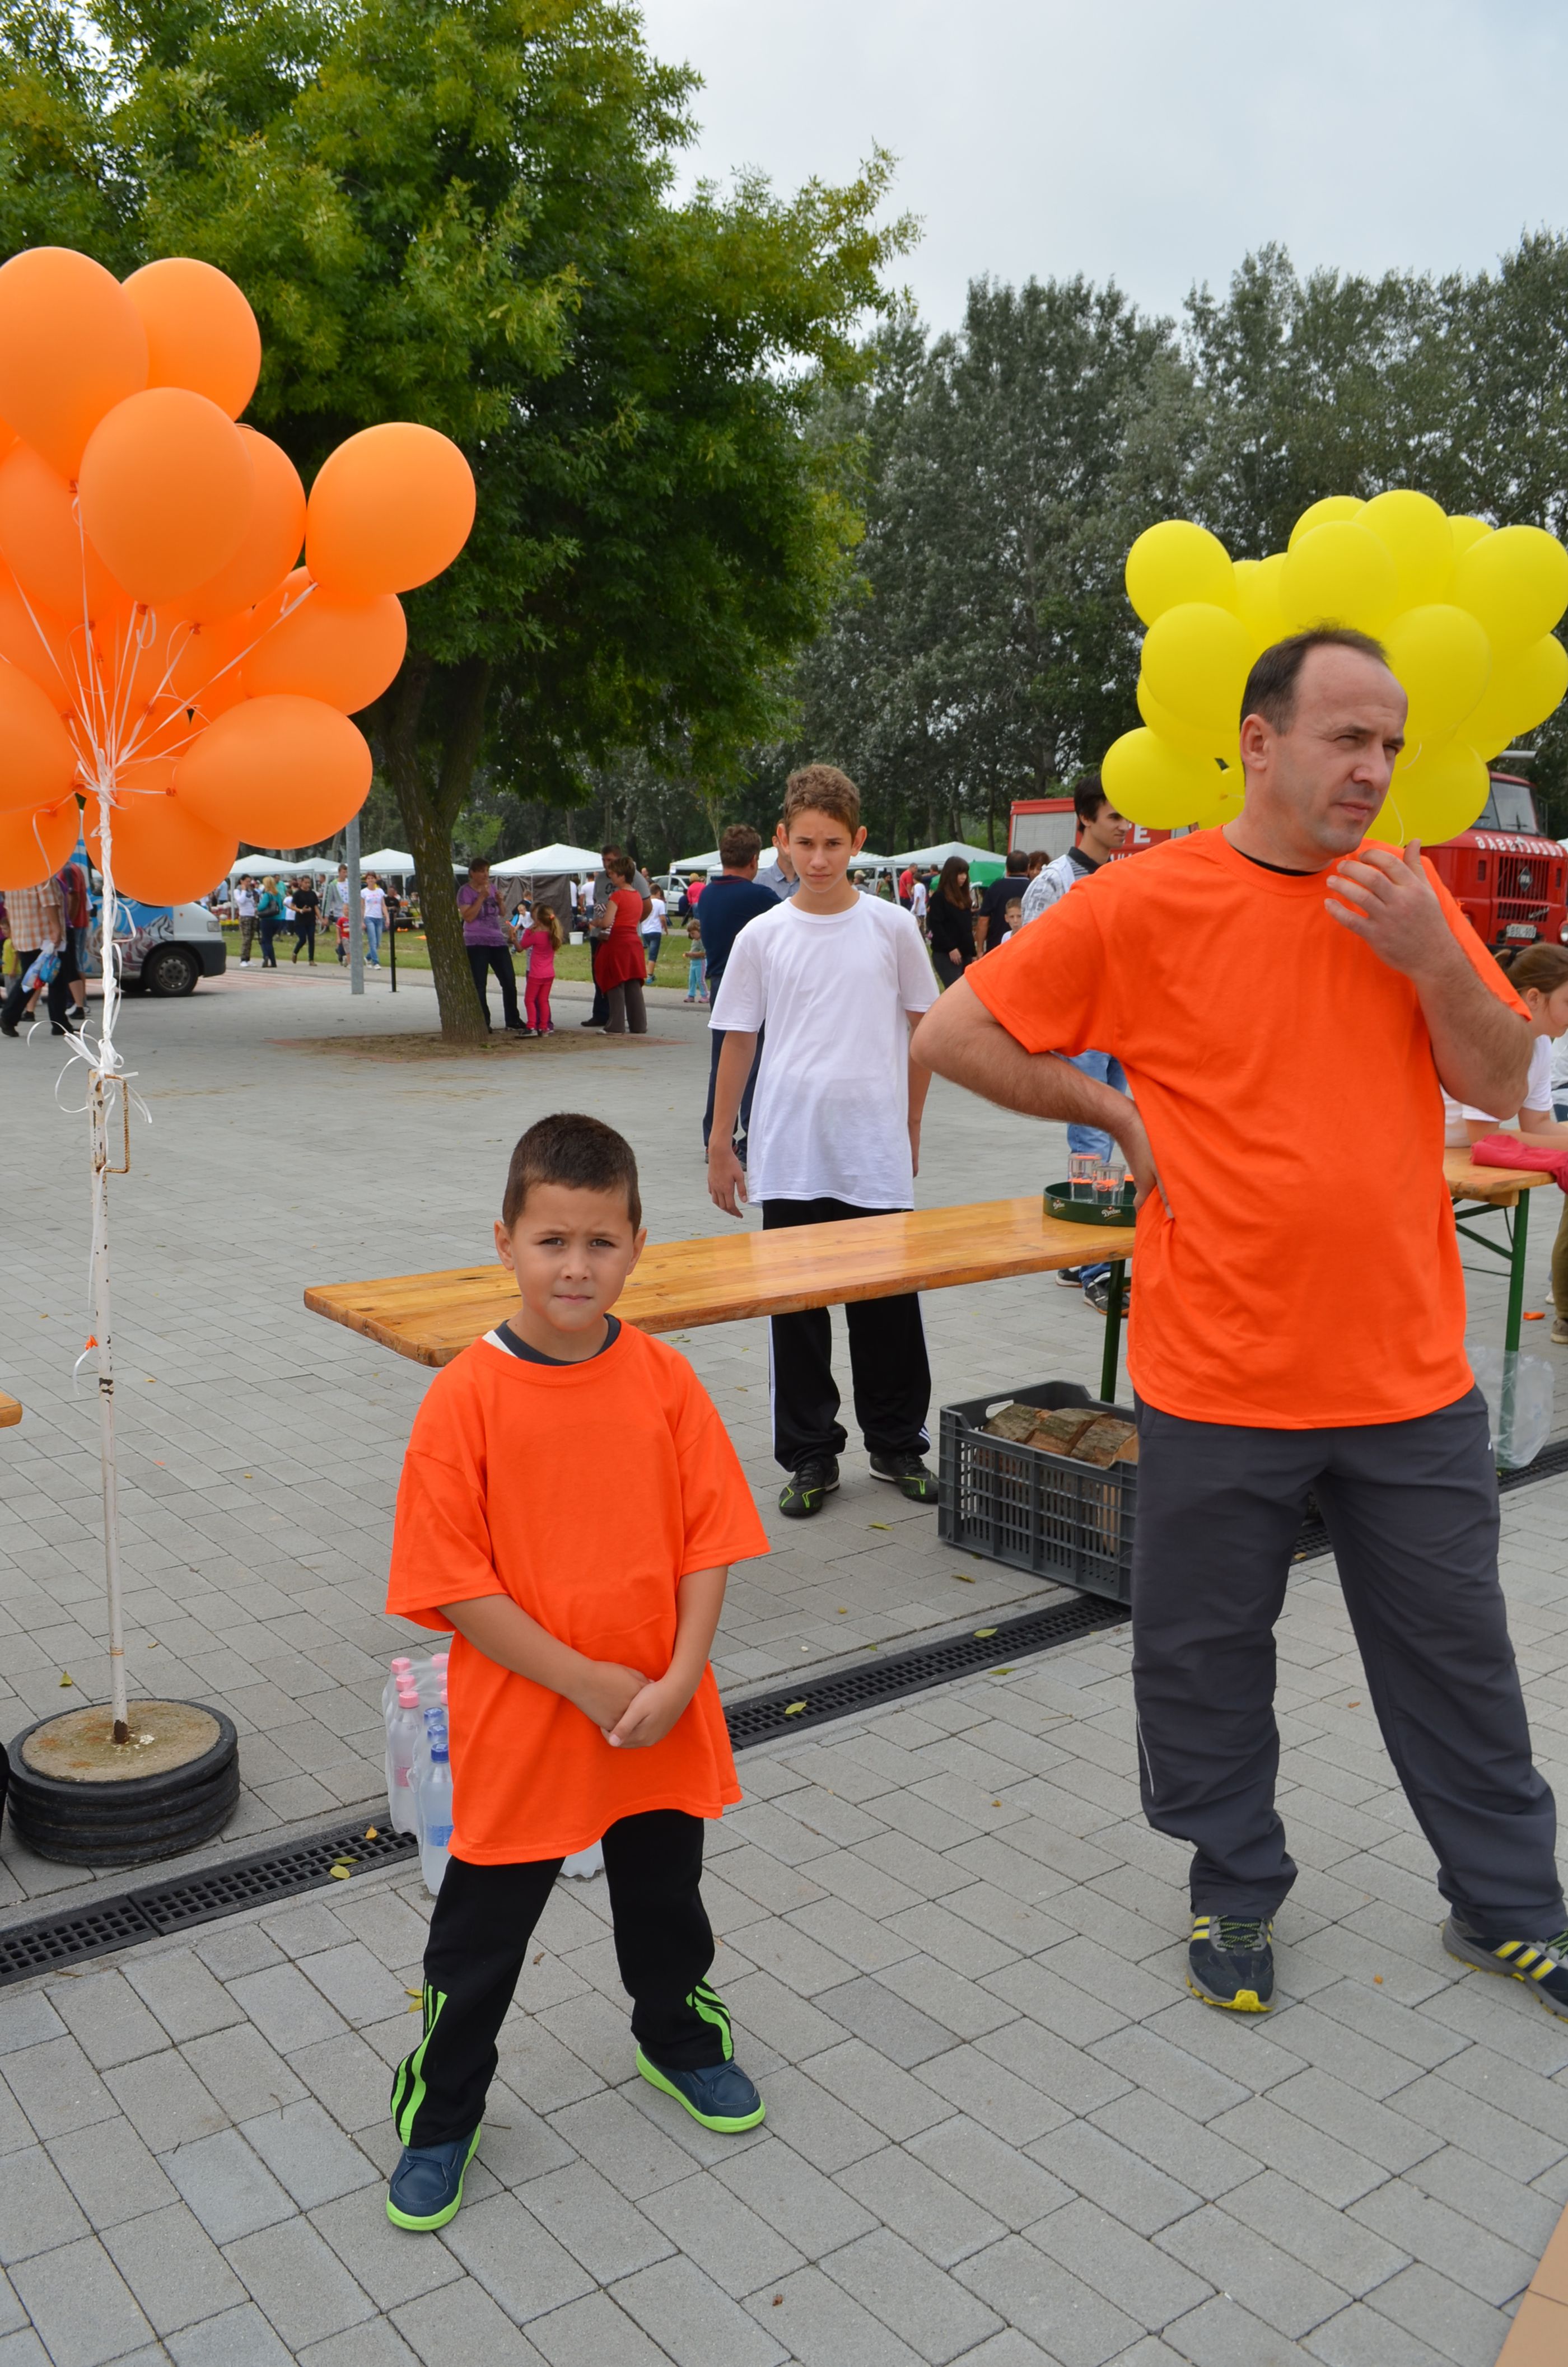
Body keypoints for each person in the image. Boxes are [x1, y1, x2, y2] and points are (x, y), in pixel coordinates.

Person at [916, 624, 1568, 2018]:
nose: (1374, 768)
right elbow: (953, 1033)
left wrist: (1433, 957)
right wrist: (1112, 1111)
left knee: (1457, 1655)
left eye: (1389, 743)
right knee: (1203, 1655)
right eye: (1347, 737)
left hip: (1404, 1375)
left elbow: (1501, 1076)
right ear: (1259, 742)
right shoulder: (1145, 900)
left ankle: (1509, 1907)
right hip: (1217, 1372)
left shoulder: (1403, 895)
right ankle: (1233, 1881)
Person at [382, 1113, 770, 2232]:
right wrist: (586, 1681)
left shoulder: (664, 1379)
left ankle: (677, 2037)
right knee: (479, 1935)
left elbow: (708, 1541)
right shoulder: (466, 1396)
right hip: (530, 1719)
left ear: (638, 1246)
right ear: (504, 1240)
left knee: (664, 1899)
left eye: (600, 1242)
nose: (575, 1266)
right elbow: (454, 1585)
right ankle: (442, 2110)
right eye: (552, 1240)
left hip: (656, 1710)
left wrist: (681, 1674)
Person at [708, 763, 940, 1516]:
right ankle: (810, 1455)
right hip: (789, 1153)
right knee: (797, 1314)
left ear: (857, 841)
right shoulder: (763, 935)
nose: (817, 858)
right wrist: (720, 1142)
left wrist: (910, 1124)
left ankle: (897, 1443)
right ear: (782, 839)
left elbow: (926, 1032)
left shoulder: (892, 927)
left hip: (872, 1152)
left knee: (887, 1309)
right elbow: (737, 1039)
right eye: (804, 842)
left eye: (833, 843)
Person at [1442, 941, 1568, 1349]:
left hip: (1458, 1151)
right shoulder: (1495, 1032)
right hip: (1433, 1150)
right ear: (1534, 997)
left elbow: (1539, 1125)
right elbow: (1486, 1139)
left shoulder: (1541, 1042)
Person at [695, 825, 778, 1157]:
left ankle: (716, 1136)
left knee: (722, 1063)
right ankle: (751, 1137)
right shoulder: (759, 897)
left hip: (719, 983)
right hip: (753, 986)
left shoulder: (707, 895)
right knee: (754, 1063)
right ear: (754, 860)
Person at [1021, 777, 1130, 922]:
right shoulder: (1052, 882)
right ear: (1086, 818)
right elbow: (1034, 937)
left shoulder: (1121, 878)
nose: (1125, 827)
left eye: (1127, 818)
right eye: (1115, 818)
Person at [584, 845, 651, 1028]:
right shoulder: (636, 895)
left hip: (617, 941)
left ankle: (616, 1024)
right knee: (632, 983)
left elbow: (607, 922)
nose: (610, 874)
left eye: (614, 873)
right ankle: (639, 1024)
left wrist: (596, 922)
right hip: (633, 942)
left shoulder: (617, 896)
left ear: (622, 876)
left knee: (614, 981)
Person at [0, 873, 74, 1036]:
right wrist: (57, 929)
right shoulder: (42, 876)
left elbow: (8, 908)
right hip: (45, 937)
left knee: (30, 979)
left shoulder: (13, 879)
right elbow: (49, 903)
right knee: (57, 980)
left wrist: (14, 933)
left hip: (24, 936)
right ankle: (59, 1023)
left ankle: (9, 1017)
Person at [459, 859, 526, 1033]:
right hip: (476, 941)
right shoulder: (465, 891)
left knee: (509, 981)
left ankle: (513, 1019)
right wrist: (481, 897)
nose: (486, 875)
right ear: (472, 873)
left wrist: (500, 901)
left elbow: (502, 913)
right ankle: (483, 1021)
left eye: (487, 871)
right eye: (482, 871)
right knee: (480, 984)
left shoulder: (492, 887)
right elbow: (468, 917)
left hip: (496, 940)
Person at [925, 855, 976, 987]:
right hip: (946, 954)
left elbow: (967, 928)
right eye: (960, 874)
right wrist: (951, 948)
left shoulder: (964, 897)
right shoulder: (939, 897)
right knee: (955, 989)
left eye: (965, 873)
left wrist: (973, 953)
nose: (963, 877)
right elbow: (936, 925)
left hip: (965, 953)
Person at [974, 849, 1033, 953]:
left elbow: (983, 920)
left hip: (996, 947)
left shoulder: (995, 887)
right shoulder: (1033, 888)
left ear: (1007, 868)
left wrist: (980, 949)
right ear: (1028, 868)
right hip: (1027, 947)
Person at [520, 902, 561, 1035]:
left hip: (536, 974)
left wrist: (528, 931)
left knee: (529, 1000)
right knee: (543, 1000)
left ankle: (531, 1026)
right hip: (549, 973)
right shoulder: (553, 935)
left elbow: (523, 945)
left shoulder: (537, 936)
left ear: (538, 920)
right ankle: (544, 1027)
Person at [256, 877, 283, 968]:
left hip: (267, 919)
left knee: (266, 941)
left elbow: (262, 907)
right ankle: (271, 959)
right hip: (278, 920)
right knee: (266, 940)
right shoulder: (278, 894)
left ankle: (267, 957)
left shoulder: (267, 895)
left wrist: (258, 907)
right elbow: (281, 907)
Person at [362, 872, 388, 968]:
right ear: (366, 880)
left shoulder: (380, 891)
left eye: (372, 878)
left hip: (379, 918)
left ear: (375, 880)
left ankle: (368, 957)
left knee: (378, 943)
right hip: (369, 917)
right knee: (372, 941)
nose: (371, 880)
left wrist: (387, 917)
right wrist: (362, 921)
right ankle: (376, 962)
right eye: (369, 878)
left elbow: (383, 905)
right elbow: (362, 907)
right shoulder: (364, 892)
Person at [641, 885, 667, 980]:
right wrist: (665, 928)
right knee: (653, 954)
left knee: (648, 951)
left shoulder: (645, 902)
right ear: (658, 892)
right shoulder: (660, 903)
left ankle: (647, 971)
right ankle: (650, 975)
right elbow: (662, 918)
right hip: (655, 930)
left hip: (645, 930)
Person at [291, 875, 319, 963]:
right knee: (303, 939)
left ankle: (311, 959)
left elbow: (316, 907)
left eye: (309, 883)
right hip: (300, 920)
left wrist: (321, 919)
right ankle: (295, 952)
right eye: (306, 883)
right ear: (301, 883)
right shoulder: (297, 894)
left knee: (311, 939)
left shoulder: (312, 894)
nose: (307, 885)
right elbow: (292, 906)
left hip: (311, 919)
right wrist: (301, 910)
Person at [234, 876, 258, 966]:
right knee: (246, 938)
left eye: (249, 882)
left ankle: (248, 959)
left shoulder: (250, 891)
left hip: (252, 915)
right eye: (247, 882)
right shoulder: (238, 891)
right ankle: (243, 959)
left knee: (251, 938)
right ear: (242, 881)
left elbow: (252, 902)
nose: (248, 883)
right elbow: (241, 901)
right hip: (245, 916)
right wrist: (244, 890)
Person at [684, 909, 706, 1002]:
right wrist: (690, 954)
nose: (692, 935)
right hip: (693, 962)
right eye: (690, 934)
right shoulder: (694, 941)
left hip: (701, 962)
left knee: (700, 980)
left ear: (699, 931)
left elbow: (703, 953)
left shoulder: (702, 941)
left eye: (693, 933)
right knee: (692, 979)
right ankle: (691, 995)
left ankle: (705, 995)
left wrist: (692, 954)